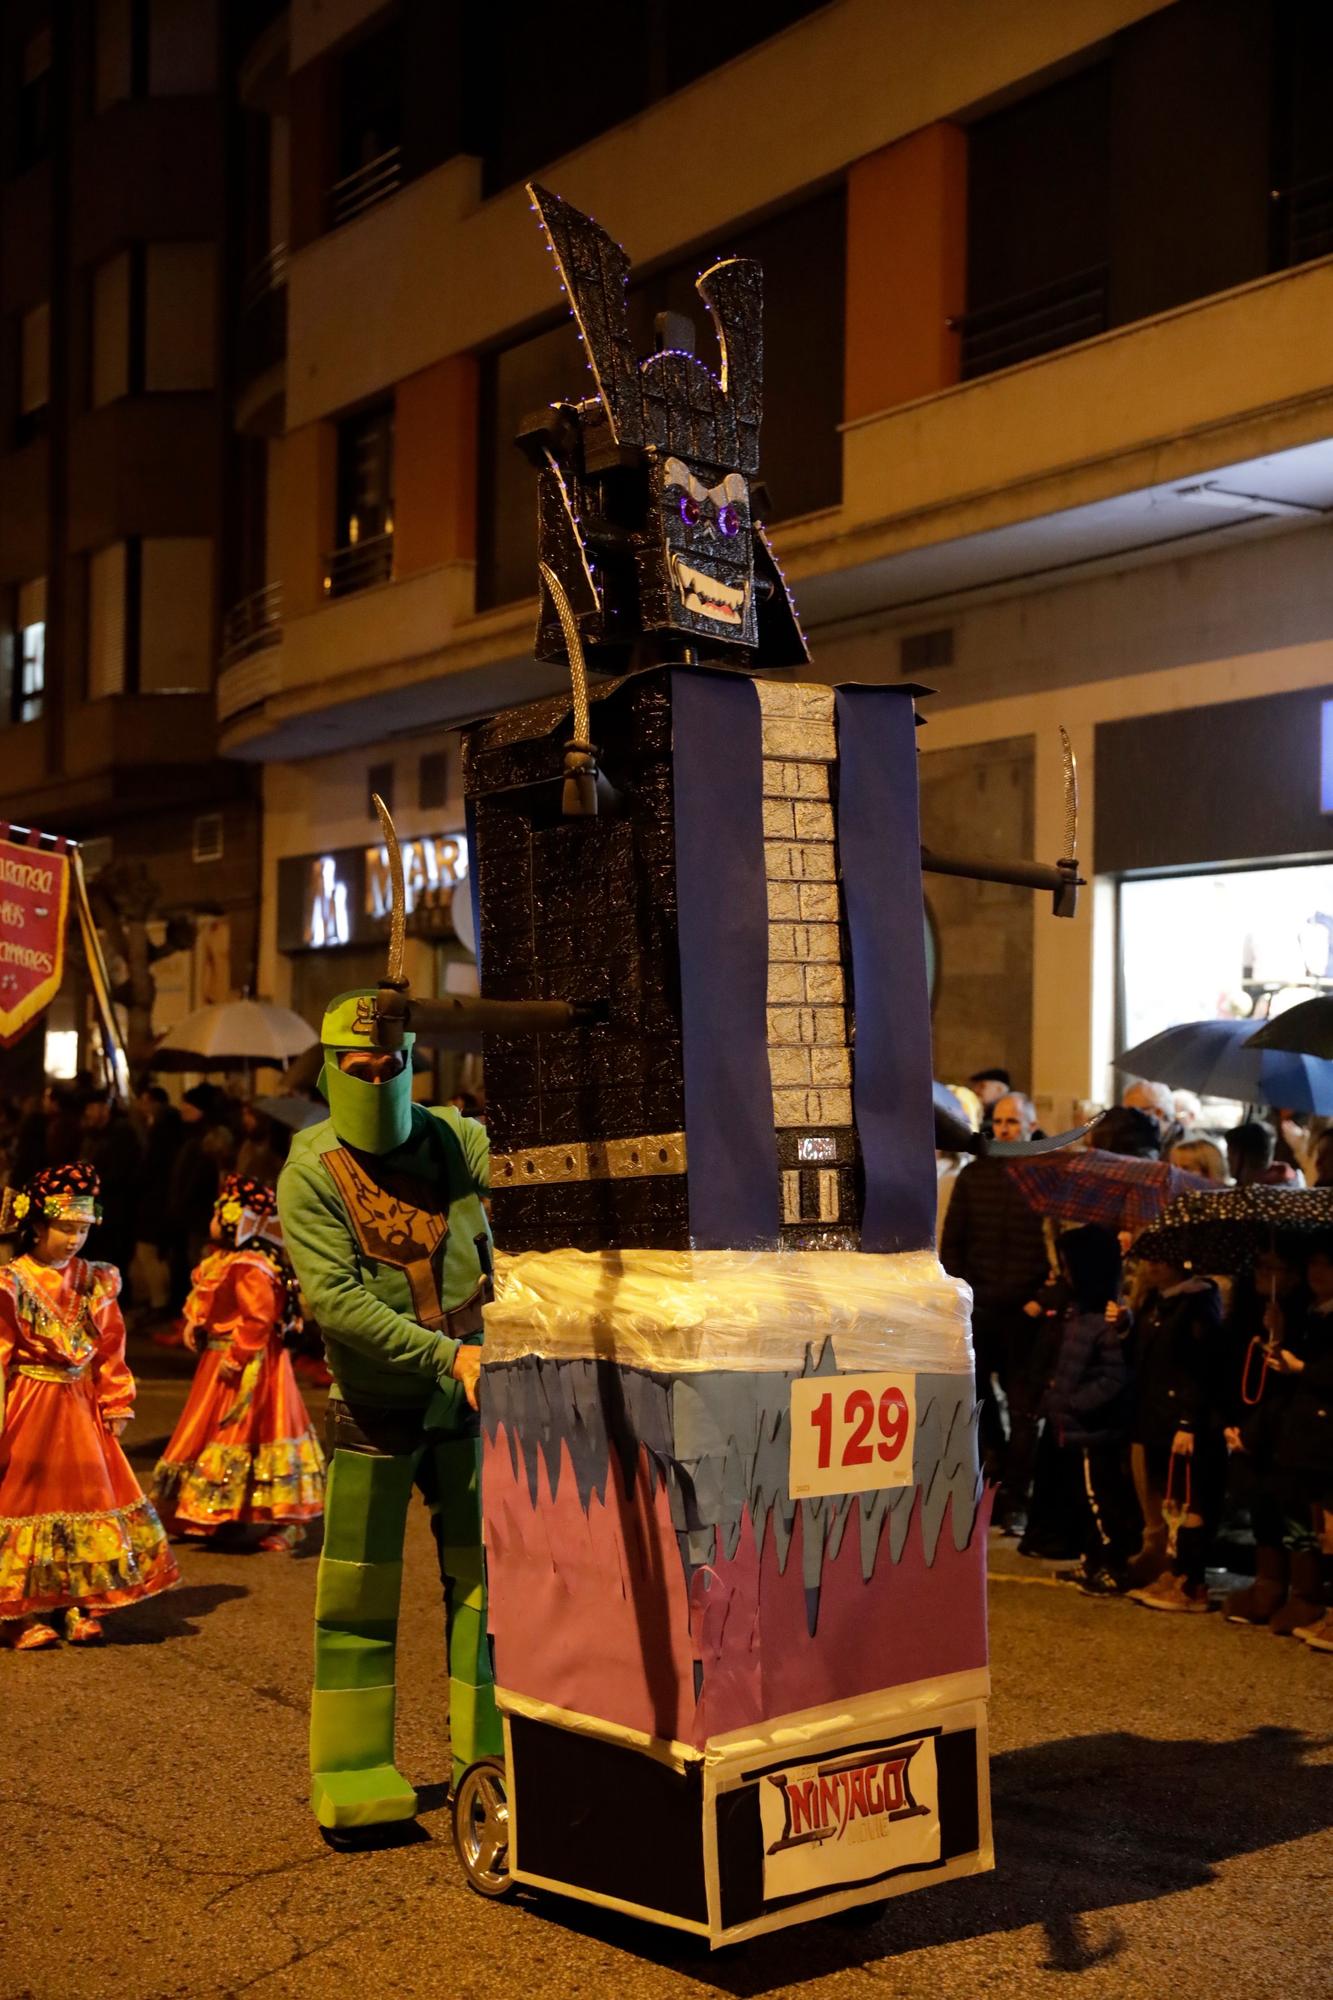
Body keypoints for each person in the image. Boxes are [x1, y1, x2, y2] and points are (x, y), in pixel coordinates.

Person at [277, 989, 500, 1832]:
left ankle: (487, 1759)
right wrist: (448, 1354)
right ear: (332, 1068)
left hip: (466, 1399)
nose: (378, 1079)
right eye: (360, 1068)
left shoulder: (451, 1136)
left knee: (484, 1589)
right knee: (358, 1595)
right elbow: (336, 1302)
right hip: (377, 1401)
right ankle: (351, 1765)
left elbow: (523, 1175)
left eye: (393, 1064)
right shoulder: (311, 1168)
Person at [0, 1162, 178, 1648]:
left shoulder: (96, 1281)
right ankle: (19, 1612)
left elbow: (111, 1347)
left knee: (87, 1499)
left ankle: (80, 1601)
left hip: (80, 1408)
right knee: (26, 1499)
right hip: (30, 1406)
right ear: (35, 1226)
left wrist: (117, 1399)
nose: (75, 1239)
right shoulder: (11, 1283)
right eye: (65, 1229)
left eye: (81, 1230)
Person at [154, 1174, 324, 1548]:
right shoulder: (229, 1259)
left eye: (218, 1211)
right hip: (223, 1359)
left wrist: (238, 1354)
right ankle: (216, 1512)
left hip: (252, 1365)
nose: (212, 1219)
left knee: (253, 1433)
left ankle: (285, 1520)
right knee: (211, 1431)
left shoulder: (250, 1264)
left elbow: (258, 1318)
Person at [940, 1091, 1051, 1533]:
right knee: (983, 1406)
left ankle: (1016, 1496)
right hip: (983, 1308)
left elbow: (1050, 1247)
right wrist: (964, 1294)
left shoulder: (1043, 1175)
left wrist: (1041, 1297)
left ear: (1030, 1125)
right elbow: (955, 1242)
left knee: (1024, 1407)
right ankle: (997, 1480)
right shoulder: (974, 1177)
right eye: (999, 1121)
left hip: (1025, 1313)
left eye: (1013, 1121)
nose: (1004, 1128)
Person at [1122, 1250, 1225, 1612]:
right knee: (1170, 1500)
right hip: (1155, 1417)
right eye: (1149, 1257)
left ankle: (1192, 1583)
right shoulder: (1157, 1301)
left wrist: (1188, 1421)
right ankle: (1175, 1571)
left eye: (1161, 1257)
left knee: (1189, 1500)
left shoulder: (1198, 1302)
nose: (1154, 1263)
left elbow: (1202, 1368)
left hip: (1183, 1422)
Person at [1041, 1227, 1139, 1595]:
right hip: (1071, 1426)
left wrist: (1072, 1403)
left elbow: (1114, 1379)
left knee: (1100, 1500)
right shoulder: (1076, 1315)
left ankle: (1112, 1565)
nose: (1065, 1274)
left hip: (1091, 1430)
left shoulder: (1104, 1323)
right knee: (1082, 1499)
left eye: (1070, 1267)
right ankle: (1091, 1560)